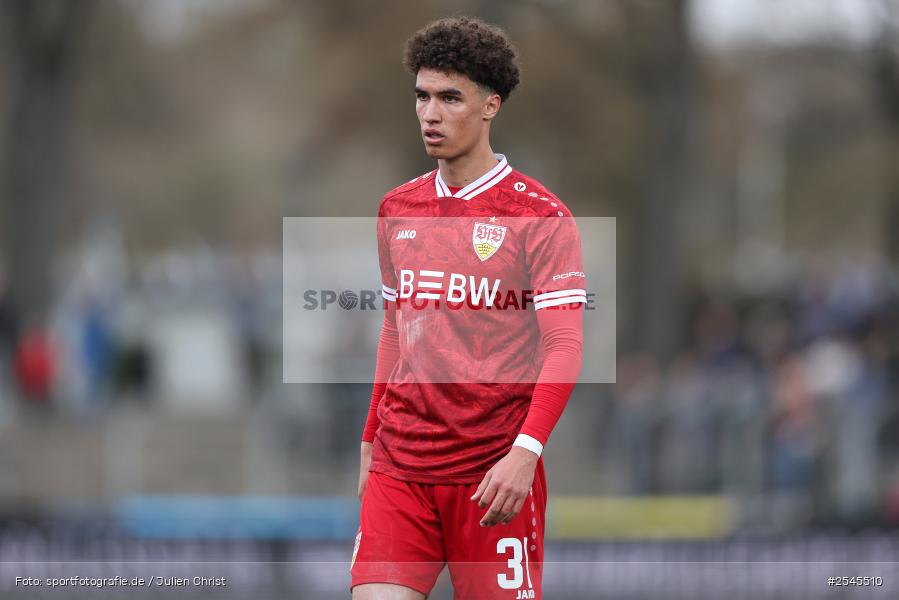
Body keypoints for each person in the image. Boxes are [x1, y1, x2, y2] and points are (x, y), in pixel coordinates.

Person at [351, 16, 585, 600]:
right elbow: (395, 330)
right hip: (401, 466)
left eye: (450, 98)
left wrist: (526, 453)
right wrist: (370, 440)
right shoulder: (397, 207)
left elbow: (564, 345)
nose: (430, 113)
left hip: (493, 475)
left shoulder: (540, 216)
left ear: (490, 106)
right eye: (422, 96)